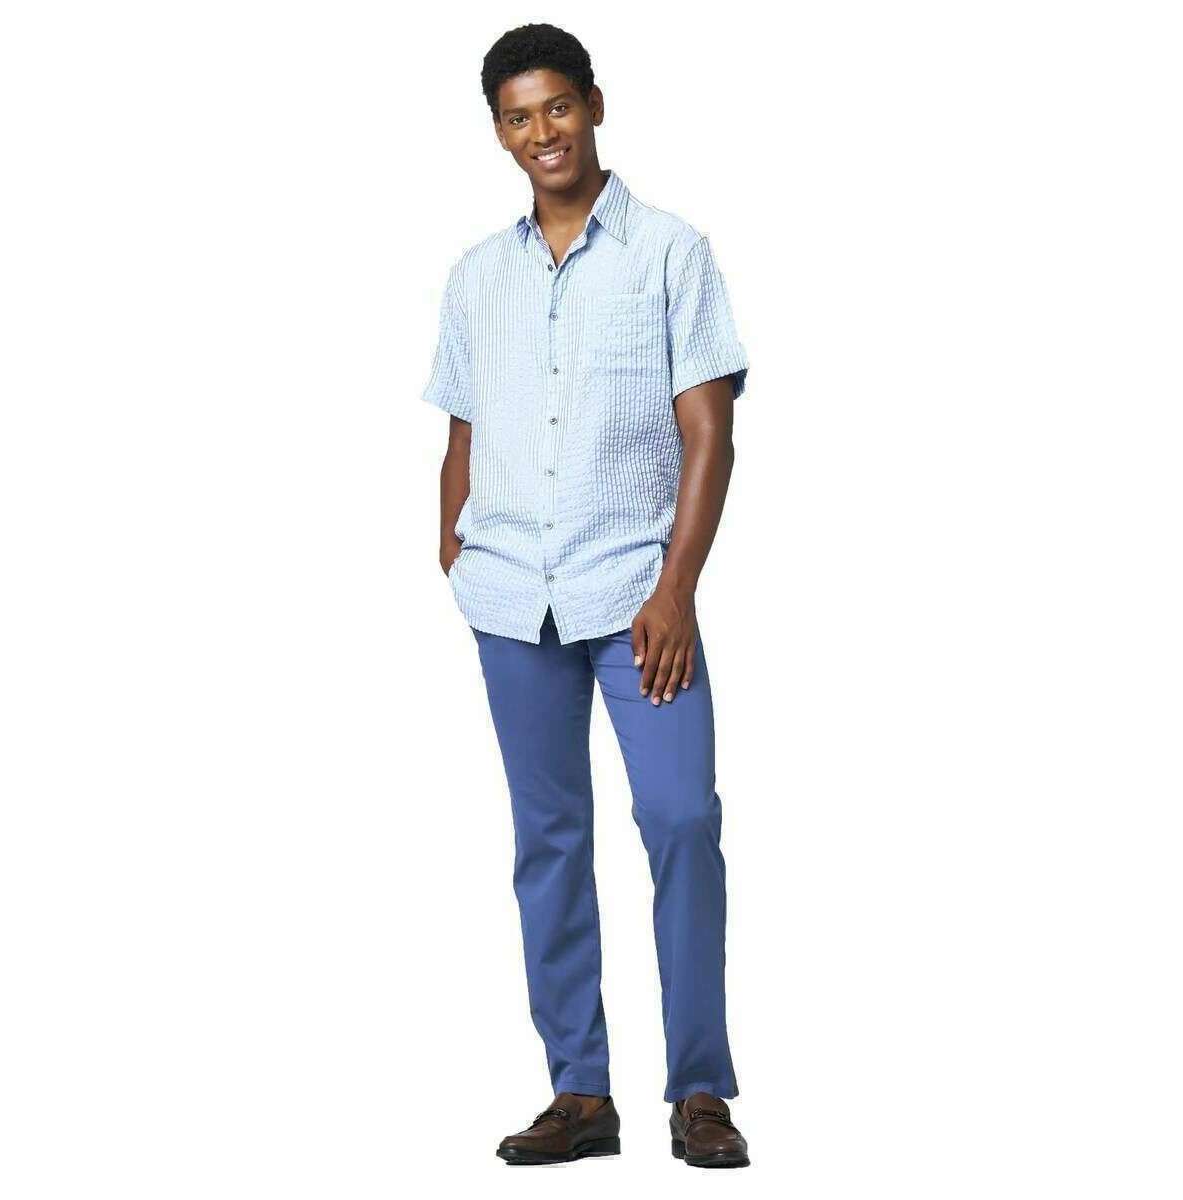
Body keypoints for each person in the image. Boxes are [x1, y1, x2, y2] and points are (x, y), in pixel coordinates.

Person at [421, 23, 751, 1169]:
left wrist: (677, 588)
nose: (541, 132)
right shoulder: (477, 276)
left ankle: (699, 1089)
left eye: (556, 107)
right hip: (512, 601)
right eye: (518, 117)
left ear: (594, 106)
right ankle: (580, 1090)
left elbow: (708, 434)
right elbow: (463, 432)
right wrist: (458, 554)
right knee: (548, 840)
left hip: (637, 597)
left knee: (682, 820)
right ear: (499, 132)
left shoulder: (670, 253)